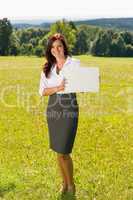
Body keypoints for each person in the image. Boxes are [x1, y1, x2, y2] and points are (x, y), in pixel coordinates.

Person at [39, 33, 80, 195]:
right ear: (50, 50)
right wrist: (58, 88)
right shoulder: (47, 68)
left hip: (69, 107)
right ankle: (64, 183)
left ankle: (71, 185)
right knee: (58, 150)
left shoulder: (74, 63)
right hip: (53, 108)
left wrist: (93, 81)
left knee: (64, 151)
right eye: (53, 47)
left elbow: (83, 85)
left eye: (59, 46)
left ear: (64, 47)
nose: (56, 50)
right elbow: (42, 91)